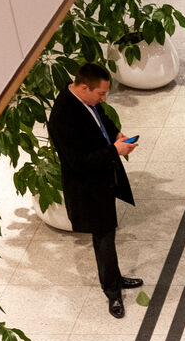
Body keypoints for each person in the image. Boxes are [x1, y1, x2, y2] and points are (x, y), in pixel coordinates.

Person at [48, 62, 141, 319]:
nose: (104, 99)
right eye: (100, 93)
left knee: (107, 233)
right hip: (87, 188)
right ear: (83, 87)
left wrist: (116, 134)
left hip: (102, 181)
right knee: (104, 238)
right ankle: (112, 292)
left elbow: (100, 119)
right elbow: (78, 162)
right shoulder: (63, 116)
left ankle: (115, 278)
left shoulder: (85, 100)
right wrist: (115, 151)